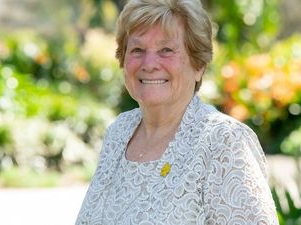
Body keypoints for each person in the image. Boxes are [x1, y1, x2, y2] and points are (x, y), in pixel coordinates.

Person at [76, 0, 279, 224]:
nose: (149, 63)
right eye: (137, 50)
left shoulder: (223, 141)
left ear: (199, 65)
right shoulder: (118, 132)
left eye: (166, 50)